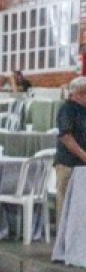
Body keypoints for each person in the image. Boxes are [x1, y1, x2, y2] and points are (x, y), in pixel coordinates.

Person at [55, 77, 86, 223]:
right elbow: (66, 137)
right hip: (68, 163)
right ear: (79, 93)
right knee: (65, 201)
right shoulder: (67, 109)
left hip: (82, 165)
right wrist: (83, 155)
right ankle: (63, 233)